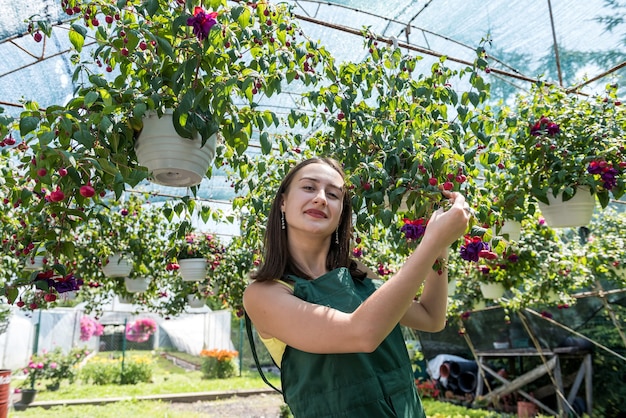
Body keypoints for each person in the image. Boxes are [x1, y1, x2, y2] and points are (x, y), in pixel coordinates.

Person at [243, 156, 471, 417]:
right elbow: (361, 333)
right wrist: (430, 242)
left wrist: (440, 248)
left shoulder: (358, 274)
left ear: (341, 212)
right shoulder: (264, 294)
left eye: (333, 194)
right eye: (308, 187)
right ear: (283, 202)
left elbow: (431, 318)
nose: (320, 198)